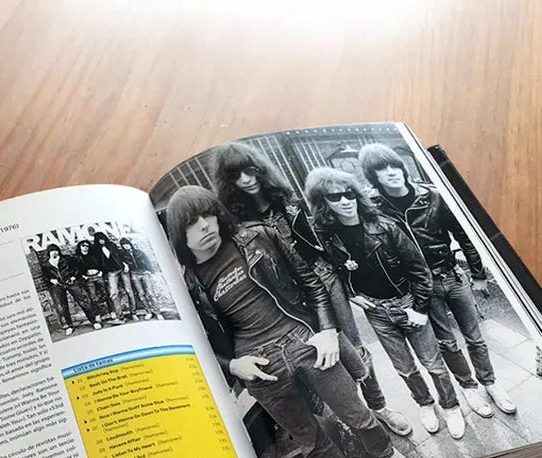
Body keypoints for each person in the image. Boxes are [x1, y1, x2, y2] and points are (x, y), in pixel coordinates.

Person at [165, 185, 418, 458]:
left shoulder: (258, 237)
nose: (204, 225)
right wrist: (232, 366)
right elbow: (193, 342)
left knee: (356, 413)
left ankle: (387, 455)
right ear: (179, 235)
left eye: (208, 215)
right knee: (308, 439)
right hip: (258, 366)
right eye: (192, 222)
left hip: (303, 339)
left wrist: (326, 330)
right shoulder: (188, 285)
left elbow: (311, 283)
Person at [208, 142, 411, 437]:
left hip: (323, 276)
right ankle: (350, 417)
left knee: (353, 346)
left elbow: (324, 241)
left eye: (249, 170)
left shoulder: (287, 199)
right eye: (235, 176)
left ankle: (379, 406)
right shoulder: (238, 220)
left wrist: (350, 283)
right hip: (289, 294)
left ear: (259, 168)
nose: (246, 179)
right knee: (315, 356)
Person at [304, 167, 467, 439]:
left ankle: (451, 406)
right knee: (404, 367)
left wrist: (419, 308)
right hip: (378, 312)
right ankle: (425, 403)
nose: (345, 201)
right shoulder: (329, 236)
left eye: (349, 194)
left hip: (407, 302)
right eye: (335, 197)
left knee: (433, 363)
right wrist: (353, 293)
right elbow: (335, 270)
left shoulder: (385, 226)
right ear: (324, 203)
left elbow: (419, 270)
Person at [359, 143, 516, 415]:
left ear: (402, 166)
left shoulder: (432, 197)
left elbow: (464, 235)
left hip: (452, 276)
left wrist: (478, 273)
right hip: (422, 287)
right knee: (447, 342)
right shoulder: (375, 209)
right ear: (373, 176)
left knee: (475, 337)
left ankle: (489, 382)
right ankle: (468, 387)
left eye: (394, 165)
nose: (391, 172)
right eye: (382, 169)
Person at [40, 243, 99, 333]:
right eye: (52, 251)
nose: (54, 252)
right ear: (48, 252)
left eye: (56, 250)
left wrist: (74, 276)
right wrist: (51, 280)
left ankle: (94, 321)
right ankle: (69, 326)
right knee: (63, 306)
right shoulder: (46, 264)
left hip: (71, 282)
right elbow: (45, 277)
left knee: (83, 301)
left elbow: (78, 268)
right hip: (58, 285)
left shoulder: (66, 259)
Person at [92, 231, 135, 321]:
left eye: (102, 238)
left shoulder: (112, 245)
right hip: (111, 273)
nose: (101, 241)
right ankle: (120, 316)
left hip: (121, 269)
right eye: (99, 240)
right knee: (114, 293)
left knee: (129, 291)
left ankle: (133, 313)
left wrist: (125, 264)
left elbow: (120, 255)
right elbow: (97, 262)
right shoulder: (96, 250)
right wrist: (101, 271)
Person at [119, 237, 161, 319]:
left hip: (144, 273)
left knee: (150, 293)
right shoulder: (123, 255)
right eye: (123, 245)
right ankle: (148, 311)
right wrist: (125, 264)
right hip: (134, 274)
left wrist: (150, 271)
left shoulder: (139, 252)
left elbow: (147, 261)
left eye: (127, 244)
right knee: (141, 294)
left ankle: (157, 312)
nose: (126, 246)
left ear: (130, 244)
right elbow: (119, 261)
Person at [72, 239, 107, 327]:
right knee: (93, 297)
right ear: (80, 247)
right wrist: (83, 276)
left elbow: (101, 263)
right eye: (83, 246)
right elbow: (76, 269)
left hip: (98, 275)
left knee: (105, 293)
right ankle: (98, 314)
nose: (85, 247)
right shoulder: (77, 257)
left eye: (87, 246)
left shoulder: (93, 255)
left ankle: (111, 311)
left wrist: (101, 271)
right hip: (88, 278)